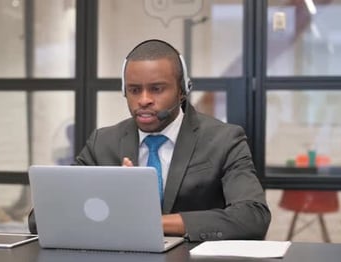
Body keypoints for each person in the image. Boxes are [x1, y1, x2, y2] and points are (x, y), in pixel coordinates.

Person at [29, 39, 271, 241]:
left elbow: (253, 217)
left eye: (157, 89)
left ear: (182, 90)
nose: (143, 100)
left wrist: (150, 222)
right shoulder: (103, 142)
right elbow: (40, 219)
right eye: (134, 90)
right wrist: (111, 203)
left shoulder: (224, 139)